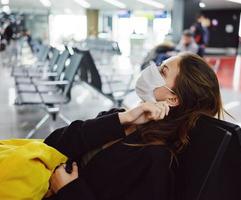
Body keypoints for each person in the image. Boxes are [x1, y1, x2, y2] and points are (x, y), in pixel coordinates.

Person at [43, 52, 225, 200]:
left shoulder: (156, 160)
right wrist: (124, 118)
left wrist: (68, 191)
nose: (151, 71)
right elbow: (53, 143)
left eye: (162, 71)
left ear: (172, 99)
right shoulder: (119, 118)